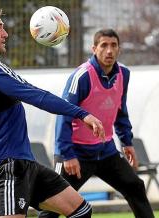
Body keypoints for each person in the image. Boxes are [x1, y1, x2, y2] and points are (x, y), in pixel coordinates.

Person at [0, 8, 106, 218]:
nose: (5, 34)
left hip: (24, 163)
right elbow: (36, 95)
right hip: (6, 167)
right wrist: (82, 114)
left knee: (80, 210)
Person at [38, 29, 155, 218]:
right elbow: (63, 114)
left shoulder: (123, 74)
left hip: (106, 151)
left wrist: (127, 142)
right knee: (54, 205)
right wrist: (67, 154)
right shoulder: (82, 76)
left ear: (119, 49)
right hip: (75, 154)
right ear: (94, 49)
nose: (109, 51)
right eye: (104, 45)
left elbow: (120, 111)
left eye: (113, 45)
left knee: (135, 186)